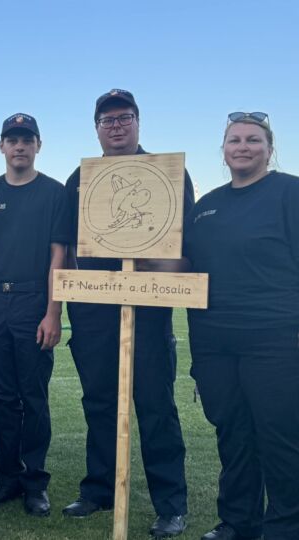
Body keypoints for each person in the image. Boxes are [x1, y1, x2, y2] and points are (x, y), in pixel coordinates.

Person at [62, 89, 191, 538]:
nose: (115, 126)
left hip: (148, 308)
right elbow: (65, 246)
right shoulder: (79, 177)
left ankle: (171, 504)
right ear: (96, 128)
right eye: (107, 120)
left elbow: (183, 246)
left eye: (124, 118)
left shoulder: (167, 171)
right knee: (99, 402)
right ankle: (98, 489)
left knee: (155, 406)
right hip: (94, 310)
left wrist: (154, 263)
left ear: (138, 122)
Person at [184, 112, 299, 540]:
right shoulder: (206, 206)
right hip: (214, 341)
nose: (243, 147)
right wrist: (135, 262)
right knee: (232, 433)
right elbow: (186, 265)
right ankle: (238, 522)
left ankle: (285, 526)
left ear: (269, 149)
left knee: (279, 435)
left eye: (253, 139)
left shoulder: (290, 192)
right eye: (235, 140)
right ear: (223, 150)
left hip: (275, 338)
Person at [0, 113, 68, 516]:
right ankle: (8, 476)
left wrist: (53, 312)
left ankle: (35, 482)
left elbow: (58, 255)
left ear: (38, 145)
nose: (20, 146)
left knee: (33, 397)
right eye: (13, 140)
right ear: (2, 147)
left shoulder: (54, 193)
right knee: (0, 398)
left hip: (32, 301)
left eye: (27, 139)